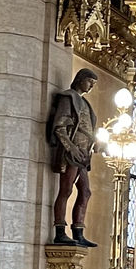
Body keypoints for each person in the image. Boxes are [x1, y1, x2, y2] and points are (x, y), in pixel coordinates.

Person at [47, 69, 99, 246]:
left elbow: (87, 128)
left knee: (85, 192)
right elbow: (60, 126)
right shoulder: (68, 98)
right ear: (80, 79)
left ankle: (78, 232)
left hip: (84, 154)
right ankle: (60, 231)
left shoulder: (85, 103)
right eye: (90, 82)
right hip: (71, 153)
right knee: (66, 189)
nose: (91, 86)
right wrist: (70, 147)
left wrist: (95, 143)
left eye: (94, 84)